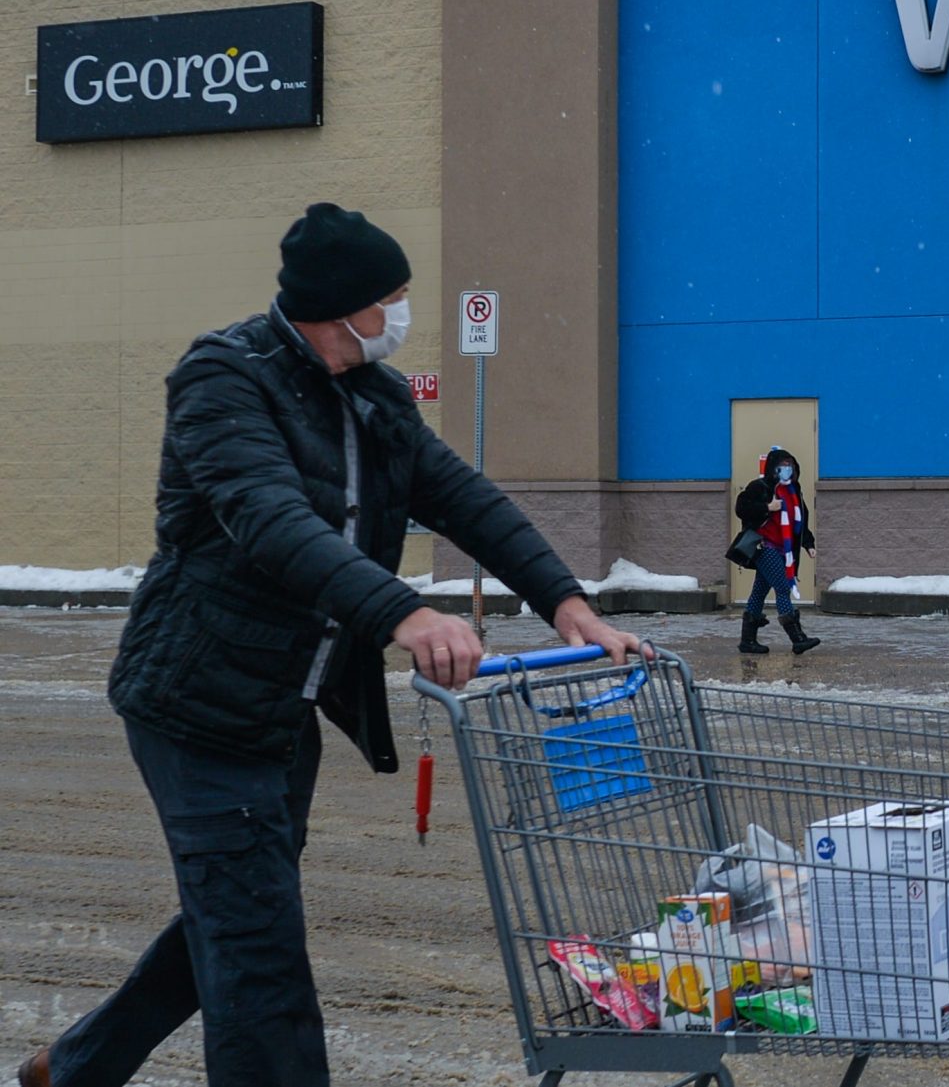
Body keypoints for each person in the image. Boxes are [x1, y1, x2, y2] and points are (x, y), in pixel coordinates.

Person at [17, 203, 646, 1087]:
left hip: (283, 710)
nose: (401, 313)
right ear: (340, 304)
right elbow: (269, 522)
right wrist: (405, 614)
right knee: (258, 956)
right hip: (196, 703)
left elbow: (463, 497)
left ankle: (76, 1067)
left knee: (232, 918)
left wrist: (566, 603)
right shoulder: (224, 378)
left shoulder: (372, 397)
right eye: (391, 296)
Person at [731, 445, 820, 655]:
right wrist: (767, 508)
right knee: (782, 587)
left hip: (784, 549)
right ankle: (798, 639)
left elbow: (801, 519)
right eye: (782, 465)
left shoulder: (793, 490)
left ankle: (748, 641)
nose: (786, 469)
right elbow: (741, 508)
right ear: (772, 467)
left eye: (789, 465)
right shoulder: (760, 487)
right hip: (764, 546)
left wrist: (808, 543)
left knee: (759, 591)